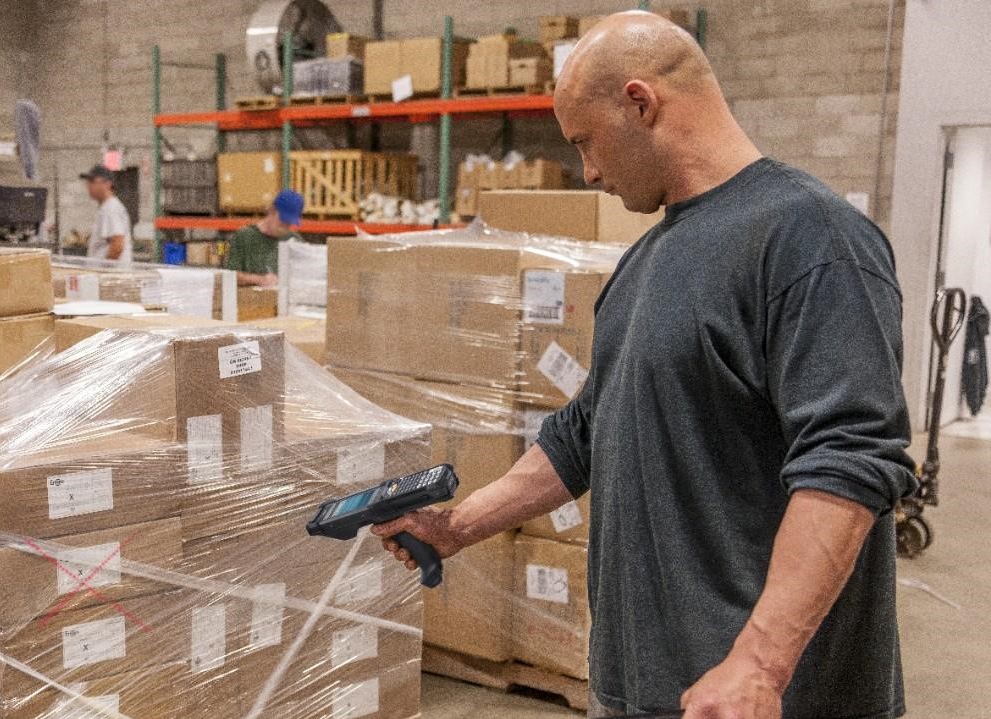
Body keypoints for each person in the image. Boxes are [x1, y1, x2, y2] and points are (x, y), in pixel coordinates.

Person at [372, 11, 915, 719]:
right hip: (644, 689)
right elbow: (586, 433)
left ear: (640, 102)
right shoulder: (644, 262)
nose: (588, 171)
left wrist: (759, 662)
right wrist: (458, 525)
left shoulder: (810, 238)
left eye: (584, 142)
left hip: (765, 697)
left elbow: (851, 459)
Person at [225, 189, 304, 286]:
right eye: (283, 220)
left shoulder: (294, 241)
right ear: (272, 211)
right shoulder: (244, 236)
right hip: (250, 299)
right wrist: (259, 279)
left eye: (289, 223)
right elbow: (229, 276)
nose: (285, 226)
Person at [80, 164, 132, 262]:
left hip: (111, 276)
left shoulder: (111, 207)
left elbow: (117, 245)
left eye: (92, 182)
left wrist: (103, 272)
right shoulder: (106, 207)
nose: (88, 186)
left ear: (107, 184)